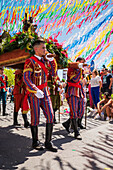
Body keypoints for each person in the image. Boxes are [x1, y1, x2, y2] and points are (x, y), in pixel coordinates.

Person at [23, 38, 57, 152]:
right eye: (43, 48)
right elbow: (26, 77)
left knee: (51, 116)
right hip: (35, 93)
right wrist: (35, 90)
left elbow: (53, 74)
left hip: (45, 92)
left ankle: (48, 142)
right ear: (35, 49)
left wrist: (52, 61)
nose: (45, 50)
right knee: (35, 117)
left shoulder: (46, 61)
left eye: (45, 47)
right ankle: (35, 142)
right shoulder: (30, 61)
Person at [62, 57, 86, 139]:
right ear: (78, 62)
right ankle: (76, 132)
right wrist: (80, 70)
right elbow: (75, 80)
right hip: (72, 91)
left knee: (81, 111)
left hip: (79, 91)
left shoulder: (80, 70)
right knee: (74, 111)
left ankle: (67, 123)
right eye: (81, 63)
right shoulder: (71, 69)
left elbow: (81, 82)